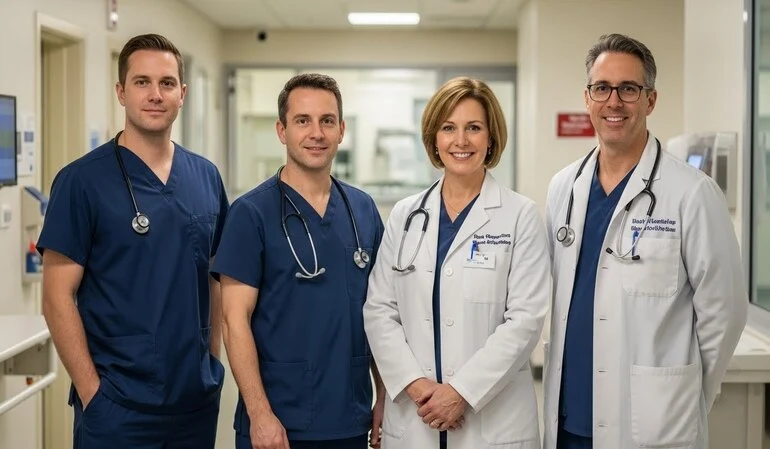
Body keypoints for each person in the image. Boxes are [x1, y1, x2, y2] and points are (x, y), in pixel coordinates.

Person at [543, 33, 748, 449]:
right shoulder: (563, 187)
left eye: (629, 89)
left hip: (651, 423)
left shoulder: (692, 192)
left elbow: (724, 313)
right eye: (602, 88)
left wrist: (680, 393)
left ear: (650, 100)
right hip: (568, 417)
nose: (613, 102)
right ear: (587, 98)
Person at [38, 33, 228, 448]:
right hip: (116, 408)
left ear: (183, 93)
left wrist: (211, 362)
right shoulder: (81, 182)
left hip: (194, 402)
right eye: (142, 82)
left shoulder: (206, 177)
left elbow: (216, 279)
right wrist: (94, 394)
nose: (155, 94)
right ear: (121, 92)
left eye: (166, 83)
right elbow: (56, 298)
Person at [363, 76, 550, 449]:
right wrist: (418, 389)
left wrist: (461, 392)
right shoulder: (405, 215)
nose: (460, 141)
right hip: (417, 417)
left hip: (493, 422)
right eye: (449, 128)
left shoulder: (520, 216)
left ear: (491, 138)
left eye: (474, 128)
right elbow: (379, 310)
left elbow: (525, 320)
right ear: (434, 138)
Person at [212, 73, 386, 449]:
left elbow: (381, 313)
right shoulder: (251, 214)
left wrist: (383, 396)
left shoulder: (363, 211)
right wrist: (259, 414)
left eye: (327, 121)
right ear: (281, 130)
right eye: (302, 121)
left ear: (341, 130)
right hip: (278, 425)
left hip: (349, 417)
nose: (316, 133)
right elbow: (233, 320)